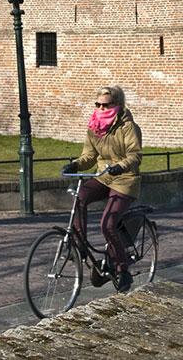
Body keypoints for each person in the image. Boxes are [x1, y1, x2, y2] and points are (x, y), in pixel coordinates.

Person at [61, 85, 142, 292]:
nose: (101, 109)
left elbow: (135, 155)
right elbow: (89, 156)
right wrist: (76, 164)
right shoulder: (94, 126)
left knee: (108, 224)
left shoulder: (128, 127)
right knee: (80, 197)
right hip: (103, 177)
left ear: (117, 105)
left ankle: (123, 270)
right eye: (98, 105)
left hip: (125, 180)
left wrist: (120, 166)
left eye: (106, 105)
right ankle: (79, 245)